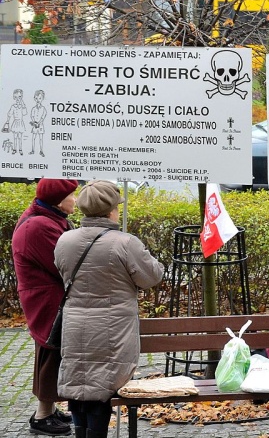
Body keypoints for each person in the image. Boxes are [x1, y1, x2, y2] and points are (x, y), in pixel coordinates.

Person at [55, 180, 164, 438]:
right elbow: (152, 277)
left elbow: (62, 272)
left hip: (75, 324)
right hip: (112, 328)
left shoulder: (65, 240)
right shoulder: (125, 242)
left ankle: (81, 433)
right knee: (101, 389)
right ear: (111, 210)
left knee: (79, 384)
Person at [12, 178, 79, 436]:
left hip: (49, 297)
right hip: (47, 300)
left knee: (51, 351)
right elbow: (63, 264)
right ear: (58, 201)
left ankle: (48, 410)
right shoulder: (39, 226)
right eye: (72, 195)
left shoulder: (46, 217)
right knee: (50, 353)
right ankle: (42, 416)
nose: (76, 199)